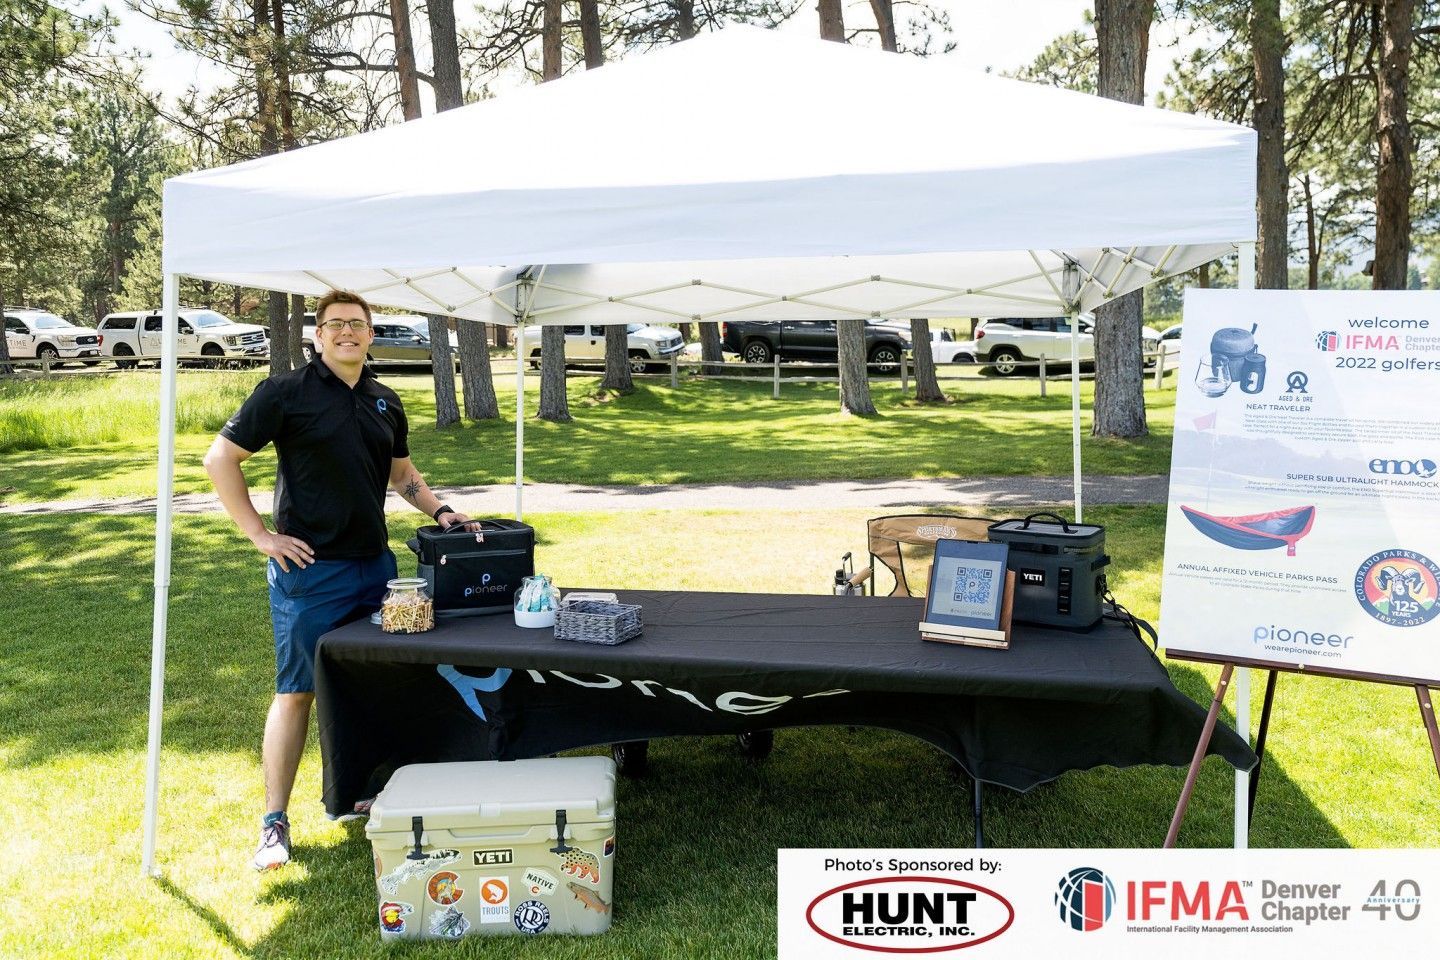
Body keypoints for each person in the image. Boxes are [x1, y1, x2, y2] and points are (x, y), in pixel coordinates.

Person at [204, 289, 475, 870]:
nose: (347, 333)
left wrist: (438, 510)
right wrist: (260, 535)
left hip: (376, 569)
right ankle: (275, 821)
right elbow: (219, 459)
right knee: (298, 690)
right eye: (335, 325)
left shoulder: (384, 400)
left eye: (358, 324)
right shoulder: (285, 394)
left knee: (367, 684)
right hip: (309, 572)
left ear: (371, 334)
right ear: (318, 335)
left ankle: (356, 791)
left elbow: (402, 473)